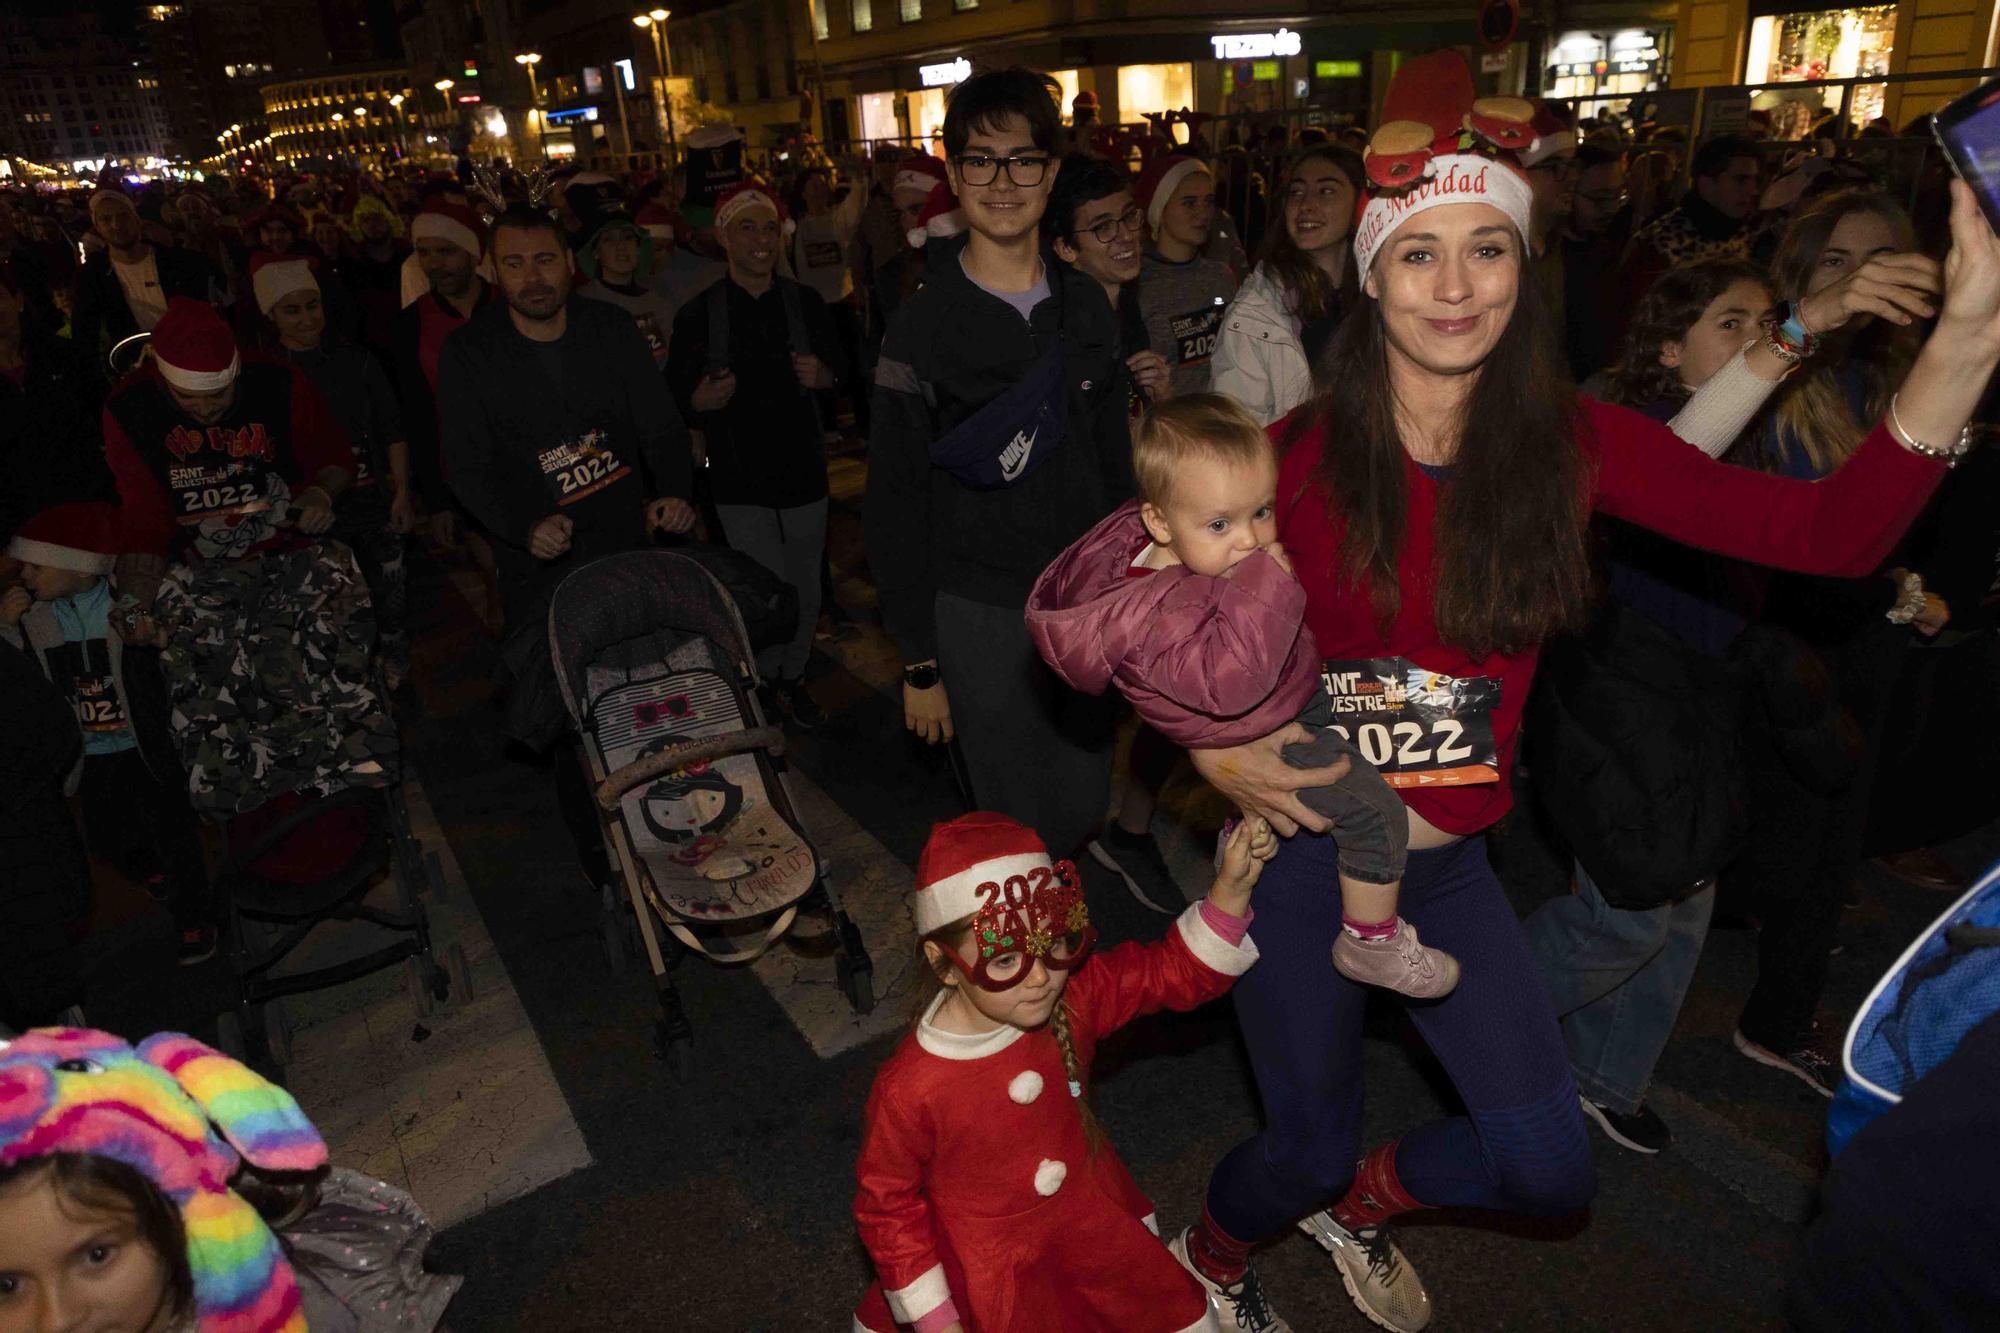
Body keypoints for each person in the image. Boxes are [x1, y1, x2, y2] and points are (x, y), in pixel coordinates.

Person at [1170, 48, 1998, 1331]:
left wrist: (1964, 339)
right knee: (1297, 1147)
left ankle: (1365, 1202)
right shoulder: (1285, 457)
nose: (1454, 287)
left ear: (1523, 261)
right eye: (1417, 252)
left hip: (1446, 877)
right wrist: (1212, 758)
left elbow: (1830, 536)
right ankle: (1210, 1258)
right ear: (1370, 272)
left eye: (1485, 250)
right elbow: (1127, 617)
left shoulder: (1571, 444)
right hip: (1296, 863)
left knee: (1545, 1169)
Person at [1528, 249, 1941, 1152]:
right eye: (1733, 323)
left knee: (1683, 908)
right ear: (1667, 349)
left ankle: (1600, 1074)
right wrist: (1798, 332)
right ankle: (1484, 1024)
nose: (1756, 340)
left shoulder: (1760, 432)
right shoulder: (1620, 428)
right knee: (1622, 917)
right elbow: (1676, 463)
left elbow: (1816, 535)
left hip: (1700, 702)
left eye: (1764, 322)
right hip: (1623, 700)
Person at [1029, 394, 1454, 998]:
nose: (1251, 539)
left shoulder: (1192, 549)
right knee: (1373, 810)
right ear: (1158, 522)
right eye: (1222, 524)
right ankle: (1371, 939)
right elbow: (1230, 685)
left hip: (1289, 692)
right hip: (1254, 728)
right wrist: (1270, 589)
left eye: (1261, 511)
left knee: (1420, 713)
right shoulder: (1153, 614)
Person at [850, 811, 1271, 1333]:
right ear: (942, 964)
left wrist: (1230, 890)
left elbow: (1170, 971)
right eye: (1005, 962)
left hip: (1089, 1229)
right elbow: (887, 1206)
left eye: (1054, 946)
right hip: (989, 1268)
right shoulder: (910, 1087)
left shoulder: (1074, 997)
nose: (1041, 979)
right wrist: (936, 1321)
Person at [864, 67, 1135, 860]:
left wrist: (1135, 589)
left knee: (1083, 799)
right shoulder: (921, 330)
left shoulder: (1085, 304)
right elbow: (893, 502)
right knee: (1013, 828)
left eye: (1023, 160)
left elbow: (1115, 466)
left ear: (1050, 174)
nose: (1003, 181)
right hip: (980, 614)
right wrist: (919, 659)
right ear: (953, 174)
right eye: (980, 161)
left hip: (1084, 605)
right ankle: (1031, 977)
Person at [102, 296, 398, 816]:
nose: (207, 411)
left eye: (219, 396)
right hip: (197, 569)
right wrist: (133, 602)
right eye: (189, 402)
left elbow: (333, 458)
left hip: (290, 550)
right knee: (209, 685)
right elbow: (144, 517)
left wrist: (320, 495)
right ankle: (248, 809)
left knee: (329, 650)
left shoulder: (275, 381)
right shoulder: (131, 408)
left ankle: (352, 789)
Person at [0, 1026, 459, 1333]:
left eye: (97, 1255)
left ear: (179, 1216)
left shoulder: (315, 1314)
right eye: (7, 1285)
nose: (56, 1320)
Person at [437, 204, 697, 629]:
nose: (533, 278)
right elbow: (464, 465)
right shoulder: (469, 352)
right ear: (493, 270)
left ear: (570, 261)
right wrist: (525, 527)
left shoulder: (610, 326)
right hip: (539, 563)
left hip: (627, 540)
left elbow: (660, 421)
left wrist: (673, 491)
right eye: (514, 264)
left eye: (545, 260)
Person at [665, 182, 845, 727]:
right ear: (723, 237)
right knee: (762, 589)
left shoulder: (805, 302)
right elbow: (673, 397)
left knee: (806, 584)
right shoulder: (700, 313)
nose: (761, 240)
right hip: (739, 476)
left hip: (803, 468)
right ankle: (765, 681)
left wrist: (825, 377)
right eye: (747, 227)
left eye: (769, 228)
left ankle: (792, 675)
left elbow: (846, 377)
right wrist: (699, 400)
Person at [3, 502, 212, 966]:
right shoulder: (36, 619)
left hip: (145, 747)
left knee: (176, 834)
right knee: (108, 840)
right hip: (92, 753)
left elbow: (171, 653)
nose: (26, 577)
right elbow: (23, 684)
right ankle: (150, 871)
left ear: (80, 569)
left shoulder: (126, 606)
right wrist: (8, 630)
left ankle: (195, 918)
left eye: (37, 566)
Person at [258, 253, 417, 688]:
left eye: (313, 306)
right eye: (292, 309)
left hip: (371, 499)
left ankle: (394, 662)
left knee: (391, 596)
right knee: (335, 600)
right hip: (313, 512)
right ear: (271, 314)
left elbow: (391, 429)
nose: (307, 318)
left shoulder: (356, 360)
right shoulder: (266, 374)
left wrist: (402, 491)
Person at [1209, 145, 1362, 426]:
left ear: (1360, 204)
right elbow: (1240, 430)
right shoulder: (1256, 311)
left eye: (1326, 191)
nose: (1306, 205)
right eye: (1296, 192)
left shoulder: (1385, 293)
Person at [1616, 133, 1762, 319]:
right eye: (1740, 180)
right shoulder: (1659, 245)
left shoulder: (1753, 238)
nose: (1753, 190)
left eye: (1755, 180)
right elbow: (1634, 319)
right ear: (1707, 184)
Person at [1134, 155, 1240, 398]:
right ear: (1159, 208)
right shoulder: (1138, 284)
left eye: (1208, 201)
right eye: (1189, 203)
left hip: (1218, 419)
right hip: (1167, 424)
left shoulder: (1220, 277)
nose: (1202, 213)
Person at [70, 190, 223, 357]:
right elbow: (85, 331)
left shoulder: (179, 262)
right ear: (97, 227)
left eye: (123, 216)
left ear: (137, 219)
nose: (116, 225)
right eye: (106, 219)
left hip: (189, 356)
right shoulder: (92, 276)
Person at [1557, 143, 1630, 381]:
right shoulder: (1546, 259)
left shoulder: (1613, 248)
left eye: (1617, 196)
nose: (1610, 209)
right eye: (1599, 198)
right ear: (1567, 192)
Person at [576, 202, 676, 369]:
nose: (621, 246)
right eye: (609, 239)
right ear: (595, 252)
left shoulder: (660, 297)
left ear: (638, 247)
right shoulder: (582, 304)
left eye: (628, 237)